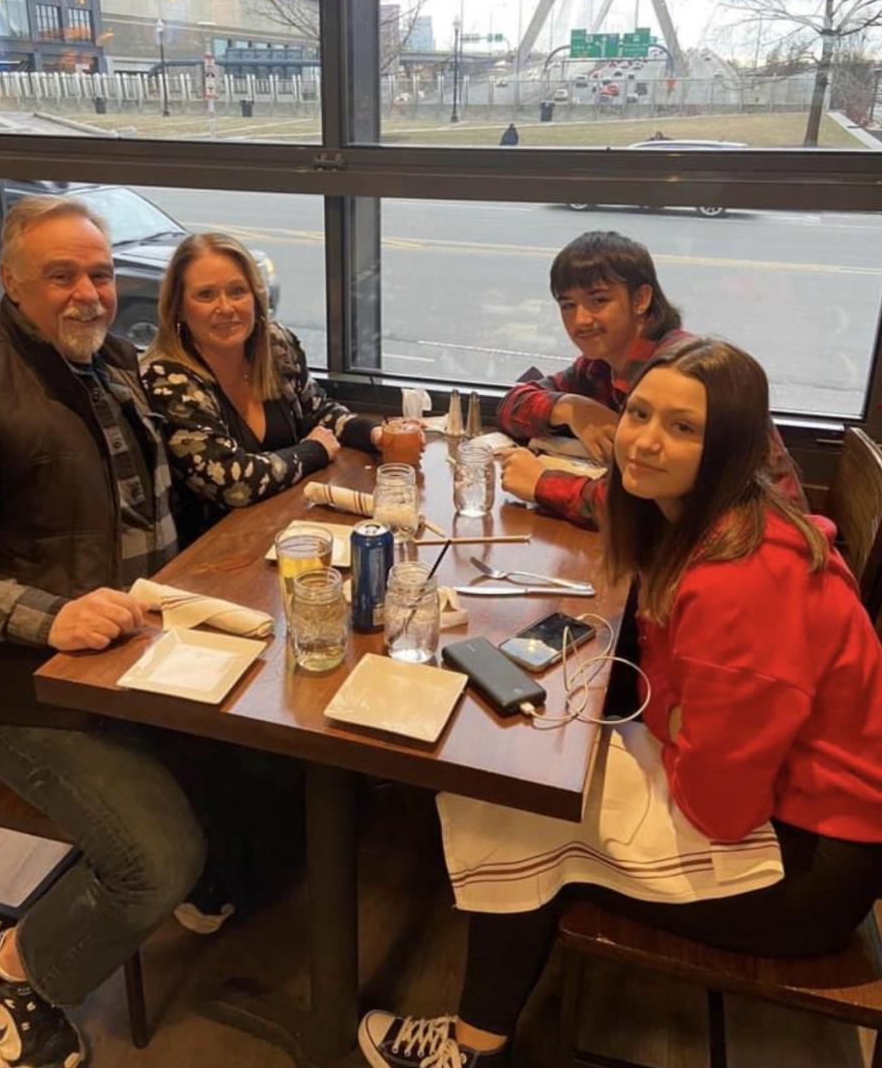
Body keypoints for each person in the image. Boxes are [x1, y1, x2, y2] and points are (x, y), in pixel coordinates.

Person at [358, 339, 882, 1068]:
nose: (643, 440)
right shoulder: (703, 525)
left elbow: (720, 804)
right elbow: (681, 703)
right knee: (524, 778)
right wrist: (670, 717)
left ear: (730, 444)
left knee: (523, 809)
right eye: (639, 413)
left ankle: (472, 1048)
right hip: (772, 800)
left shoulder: (741, 580)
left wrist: (667, 721)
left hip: (806, 865)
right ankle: (484, 1031)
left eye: (683, 427)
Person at [0, 196, 208, 1068]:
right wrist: (54, 617)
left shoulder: (109, 365)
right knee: (161, 863)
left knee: (271, 758)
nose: (88, 292)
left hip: (129, 658)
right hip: (22, 688)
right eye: (62, 275)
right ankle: (12, 963)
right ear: (10, 282)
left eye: (100, 272)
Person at [496, 230, 803, 527]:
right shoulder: (600, 365)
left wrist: (540, 482)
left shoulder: (679, 371)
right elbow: (512, 405)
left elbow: (645, 511)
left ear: (641, 300)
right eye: (568, 305)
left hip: (750, 543)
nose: (580, 320)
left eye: (598, 301)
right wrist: (570, 407)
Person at [143, 232, 385, 542]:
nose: (226, 307)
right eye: (206, 295)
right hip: (214, 554)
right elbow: (234, 483)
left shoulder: (274, 344)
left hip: (288, 525)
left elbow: (317, 411)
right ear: (178, 308)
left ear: (256, 297)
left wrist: (372, 434)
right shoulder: (167, 379)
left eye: (237, 291)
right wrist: (312, 451)